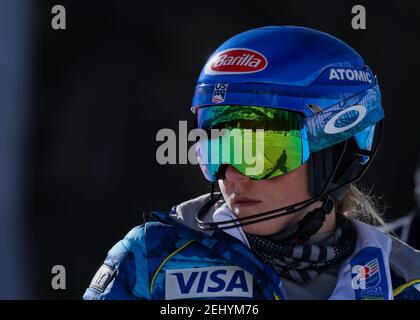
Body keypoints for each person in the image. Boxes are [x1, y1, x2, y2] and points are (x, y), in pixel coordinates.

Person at [83, 26, 420, 300]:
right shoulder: (152, 260)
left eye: (260, 152)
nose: (232, 176)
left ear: (335, 156)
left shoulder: (404, 280)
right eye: (217, 150)